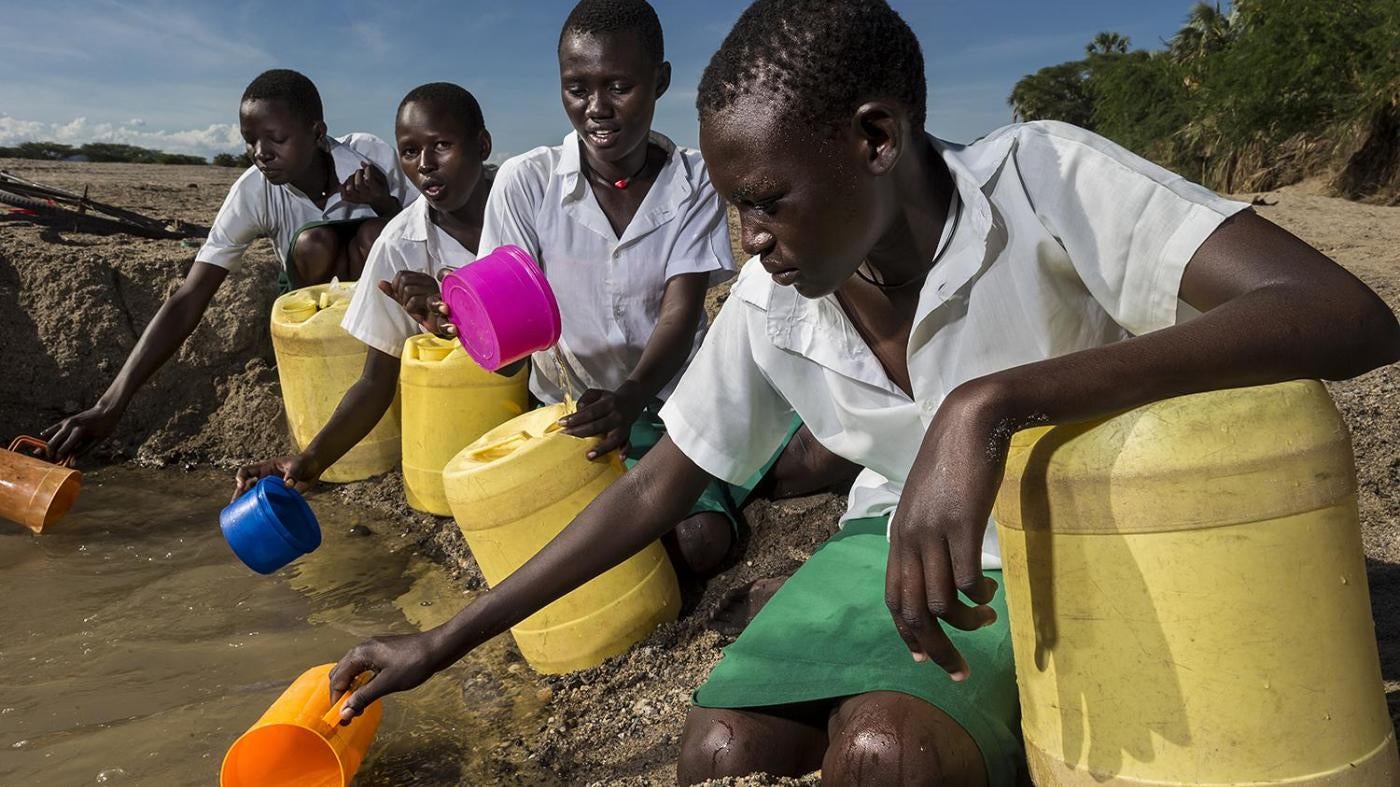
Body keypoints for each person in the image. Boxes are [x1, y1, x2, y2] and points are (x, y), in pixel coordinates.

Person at [330, 0, 1396, 783]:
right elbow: (656, 488)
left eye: (764, 202)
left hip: (1077, 547)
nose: (747, 240)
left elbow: (1340, 314)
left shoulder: (1042, 182)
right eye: (733, 207)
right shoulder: (775, 296)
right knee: (718, 747)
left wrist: (991, 403)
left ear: (875, 139)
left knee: (885, 751)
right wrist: (445, 638)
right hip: (886, 550)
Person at [405, 0, 855, 576]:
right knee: (677, 533)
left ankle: (712, 475)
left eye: (619, 85)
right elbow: (507, 333)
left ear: (659, 80)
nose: (597, 108)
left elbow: (680, 312)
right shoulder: (528, 181)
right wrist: (461, 320)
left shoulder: (690, 179)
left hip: (672, 398)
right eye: (577, 88)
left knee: (718, 523)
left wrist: (632, 396)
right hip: (574, 408)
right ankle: (715, 479)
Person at [43, 69, 416, 463]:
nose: (261, 153)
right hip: (315, 314)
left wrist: (384, 203)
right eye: (249, 141)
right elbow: (190, 295)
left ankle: (382, 374)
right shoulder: (253, 191)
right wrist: (109, 405)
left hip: (382, 309)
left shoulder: (368, 157)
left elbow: (422, 237)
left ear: (318, 132)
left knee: (376, 236)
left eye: (277, 139)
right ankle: (330, 373)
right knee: (314, 243)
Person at [232, 82, 494, 496]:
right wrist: (311, 459)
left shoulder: (525, 200)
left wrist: (452, 296)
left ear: (482, 144)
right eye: (409, 152)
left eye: (441, 145)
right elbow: (375, 381)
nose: (424, 164)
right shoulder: (400, 246)